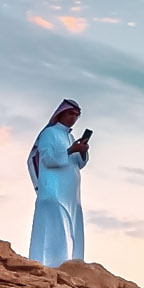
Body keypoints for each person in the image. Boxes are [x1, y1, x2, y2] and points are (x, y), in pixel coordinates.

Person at [26, 101, 89, 266]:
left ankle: (70, 266)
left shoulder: (70, 137)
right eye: (71, 113)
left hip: (70, 194)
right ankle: (47, 266)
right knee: (53, 227)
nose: (74, 118)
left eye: (77, 115)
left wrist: (82, 152)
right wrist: (70, 150)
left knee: (72, 230)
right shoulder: (49, 133)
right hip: (53, 191)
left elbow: (78, 164)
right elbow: (47, 159)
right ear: (61, 114)